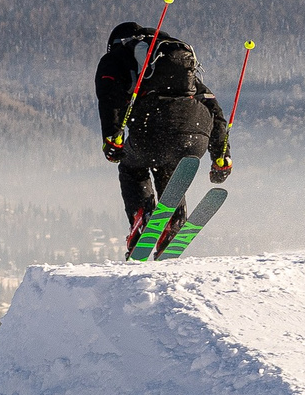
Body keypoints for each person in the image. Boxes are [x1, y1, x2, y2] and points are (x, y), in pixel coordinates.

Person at [96, 21, 230, 241]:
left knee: (132, 166)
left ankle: (143, 218)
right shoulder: (175, 66)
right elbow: (214, 109)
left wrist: (112, 137)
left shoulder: (116, 59)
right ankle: (173, 224)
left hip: (153, 129)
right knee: (167, 164)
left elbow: (109, 97)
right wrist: (221, 155)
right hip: (197, 135)